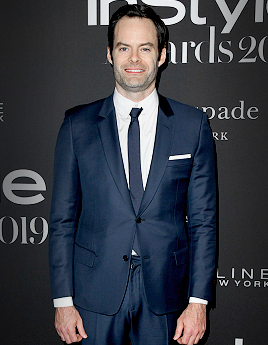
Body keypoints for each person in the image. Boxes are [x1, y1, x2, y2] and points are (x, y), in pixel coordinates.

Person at [49, 4, 217, 345]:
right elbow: (62, 219)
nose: (134, 59)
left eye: (145, 48)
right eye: (124, 47)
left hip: (167, 293)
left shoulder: (192, 125)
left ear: (163, 55)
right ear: (110, 54)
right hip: (93, 294)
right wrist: (63, 301)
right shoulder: (76, 126)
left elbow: (203, 221)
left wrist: (198, 302)